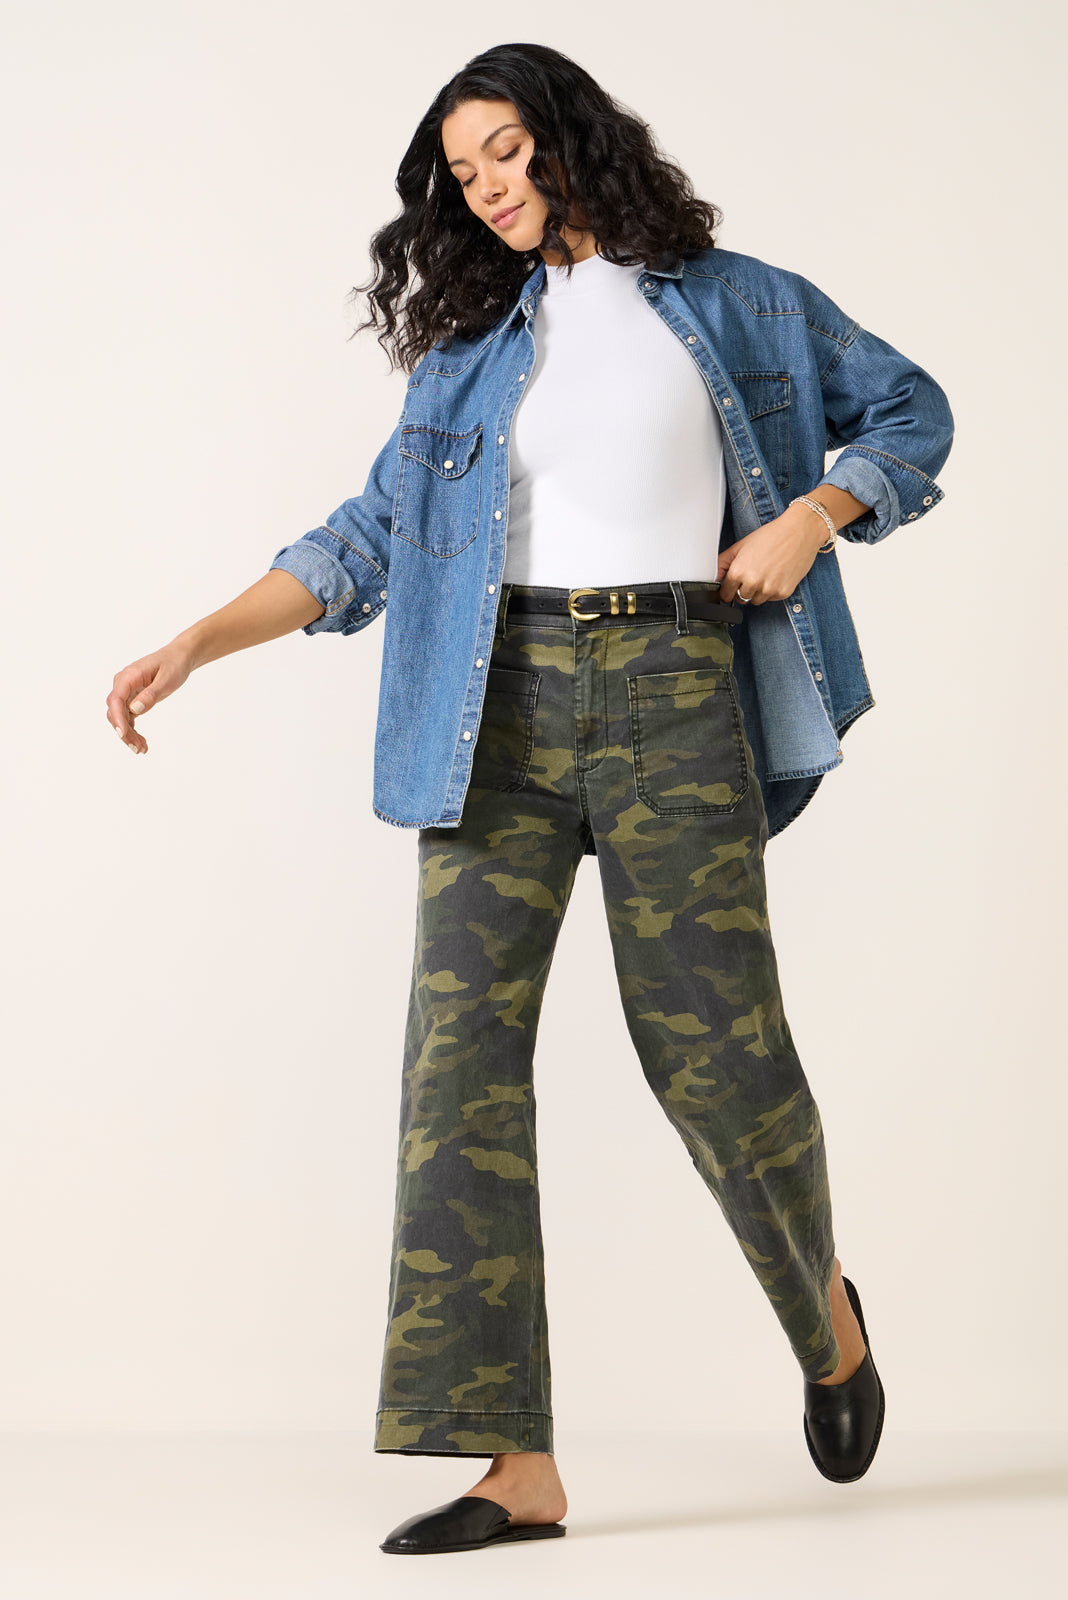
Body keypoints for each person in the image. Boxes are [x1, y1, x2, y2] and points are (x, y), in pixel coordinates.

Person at [106, 42, 953, 1558]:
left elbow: (910, 409)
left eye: (507, 149)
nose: (489, 185)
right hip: (493, 710)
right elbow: (367, 535)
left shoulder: (741, 301)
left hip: (677, 691)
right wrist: (199, 640)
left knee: (717, 1056)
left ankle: (825, 1320)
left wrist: (817, 516)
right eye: (463, 170)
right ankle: (518, 1466)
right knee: (460, 1069)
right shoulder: (469, 349)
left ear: (573, 136)